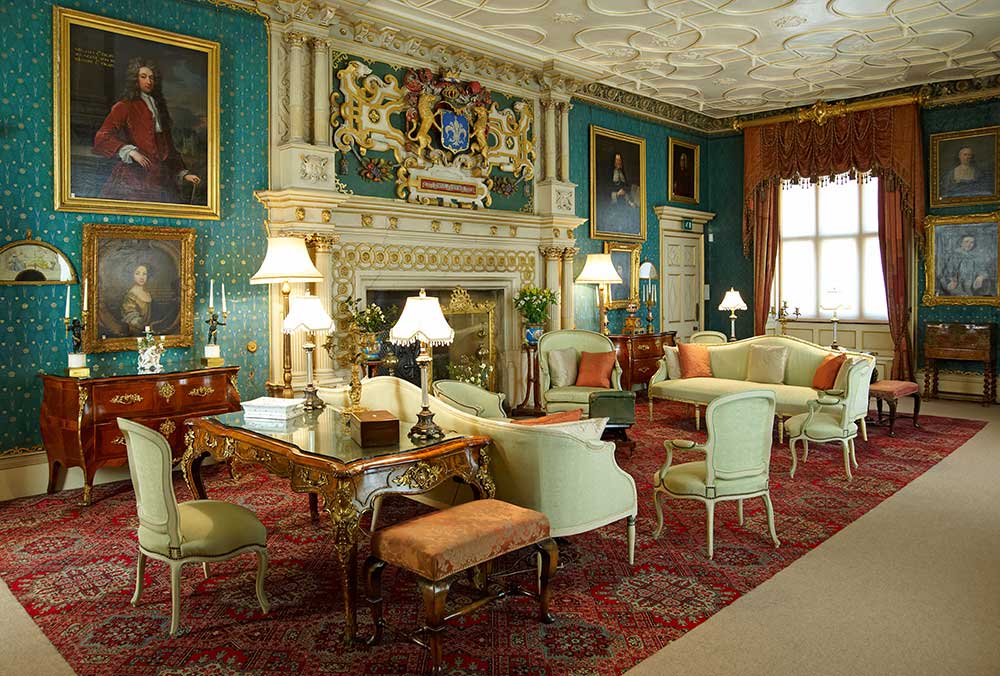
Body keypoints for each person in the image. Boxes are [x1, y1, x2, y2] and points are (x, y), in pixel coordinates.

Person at [92, 57, 201, 204]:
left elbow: (167, 148)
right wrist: (131, 152)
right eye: (143, 77)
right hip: (134, 178)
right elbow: (102, 136)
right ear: (134, 79)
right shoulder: (124, 106)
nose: (148, 81)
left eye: (151, 77)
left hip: (161, 180)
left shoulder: (160, 108)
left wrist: (183, 173)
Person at [121, 264, 153, 335]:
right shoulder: (131, 295)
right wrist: (142, 325)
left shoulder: (148, 292)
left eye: (144, 274)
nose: (141, 277)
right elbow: (130, 316)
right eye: (137, 273)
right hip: (136, 331)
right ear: (132, 276)